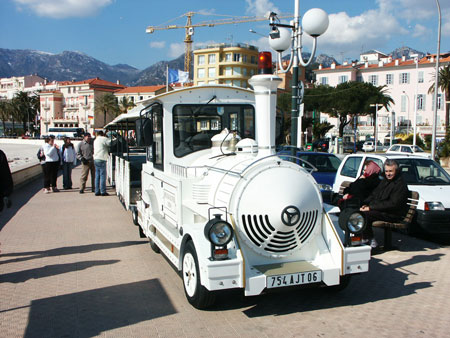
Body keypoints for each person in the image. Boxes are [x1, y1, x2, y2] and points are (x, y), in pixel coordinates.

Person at [360, 159, 409, 248]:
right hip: (382, 210)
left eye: (391, 171)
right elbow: (374, 194)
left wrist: (371, 207)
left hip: (393, 213)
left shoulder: (400, 184)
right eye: (386, 171)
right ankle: (364, 237)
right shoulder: (385, 181)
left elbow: (393, 204)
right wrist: (365, 203)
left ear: (396, 171)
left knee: (363, 215)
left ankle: (370, 240)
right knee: (357, 211)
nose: (388, 174)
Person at [93, 130, 112, 196]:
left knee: (97, 176)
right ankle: (103, 191)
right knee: (103, 176)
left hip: (96, 158)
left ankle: (96, 191)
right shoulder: (103, 139)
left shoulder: (95, 140)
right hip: (102, 158)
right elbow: (110, 143)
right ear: (103, 134)